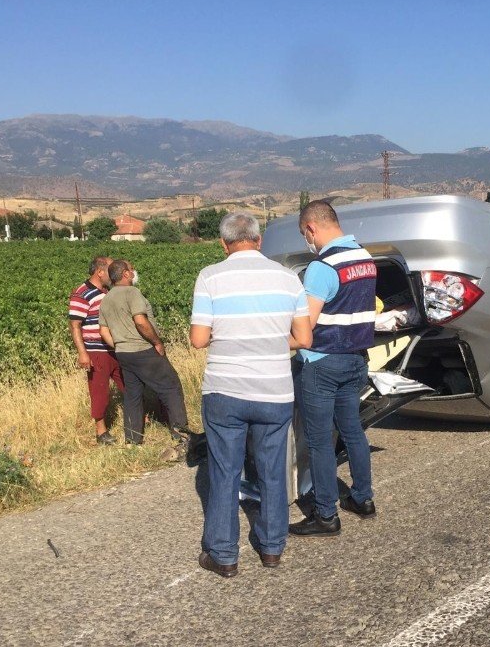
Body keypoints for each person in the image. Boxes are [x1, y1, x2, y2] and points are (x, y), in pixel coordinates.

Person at [190, 212, 312, 577]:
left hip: (224, 390)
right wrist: (273, 343)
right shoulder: (288, 278)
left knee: (224, 472)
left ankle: (224, 554)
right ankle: (272, 547)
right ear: (259, 241)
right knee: (272, 470)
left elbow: (198, 340)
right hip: (274, 390)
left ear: (223, 244)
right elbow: (304, 338)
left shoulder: (210, 276)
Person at [289, 200, 378, 537]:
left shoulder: (322, 266)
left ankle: (326, 515)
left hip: (322, 362)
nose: (307, 241)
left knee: (320, 441)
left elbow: (305, 329)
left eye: (304, 234)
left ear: (311, 228)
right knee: (353, 431)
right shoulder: (365, 260)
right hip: (355, 359)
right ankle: (363, 499)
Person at [98, 260, 190, 454]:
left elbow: (104, 330)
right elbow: (140, 321)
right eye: (131, 269)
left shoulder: (106, 298)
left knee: (132, 395)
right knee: (171, 387)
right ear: (125, 274)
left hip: (123, 353)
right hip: (143, 350)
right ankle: (183, 437)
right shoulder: (132, 293)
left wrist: (120, 345)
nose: (133, 272)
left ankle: (132, 439)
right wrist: (157, 342)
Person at [68, 255, 124, 445]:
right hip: (96, 351)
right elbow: (75, 325)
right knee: (99, 391)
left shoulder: (108, 291)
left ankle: (140, 418)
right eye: (110, 269)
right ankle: (101, 432)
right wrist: (83, 353)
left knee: (128, 384)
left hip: (114, 348)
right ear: (100, 272)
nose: (113, 272)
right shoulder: (81, 293)